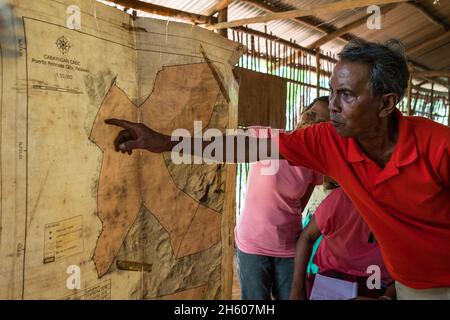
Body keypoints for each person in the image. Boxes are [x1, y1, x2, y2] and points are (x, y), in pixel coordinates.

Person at [105, 39, 450, 299]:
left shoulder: (438, 146)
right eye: (331, 92)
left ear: (386, 104)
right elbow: (246, 146)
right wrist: (166, 142)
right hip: (409, 286)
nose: (331, 106)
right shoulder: (329, 142)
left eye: (346, 95)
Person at [236, 97, 329, 300]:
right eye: (311, 114)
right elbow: (231, 144)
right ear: (303, 111)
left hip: (288, 246)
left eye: (320, 123)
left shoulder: (313, 161)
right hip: (252, 244)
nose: (311, 123)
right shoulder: (268, 137)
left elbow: (299, 206)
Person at [290, 187, 395, 300]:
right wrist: (297, 288)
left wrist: (387, 297)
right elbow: (307, 237)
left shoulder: (399, 207)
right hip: (331, 281)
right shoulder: (341, 197)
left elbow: (409, 271)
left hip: (377, 285)